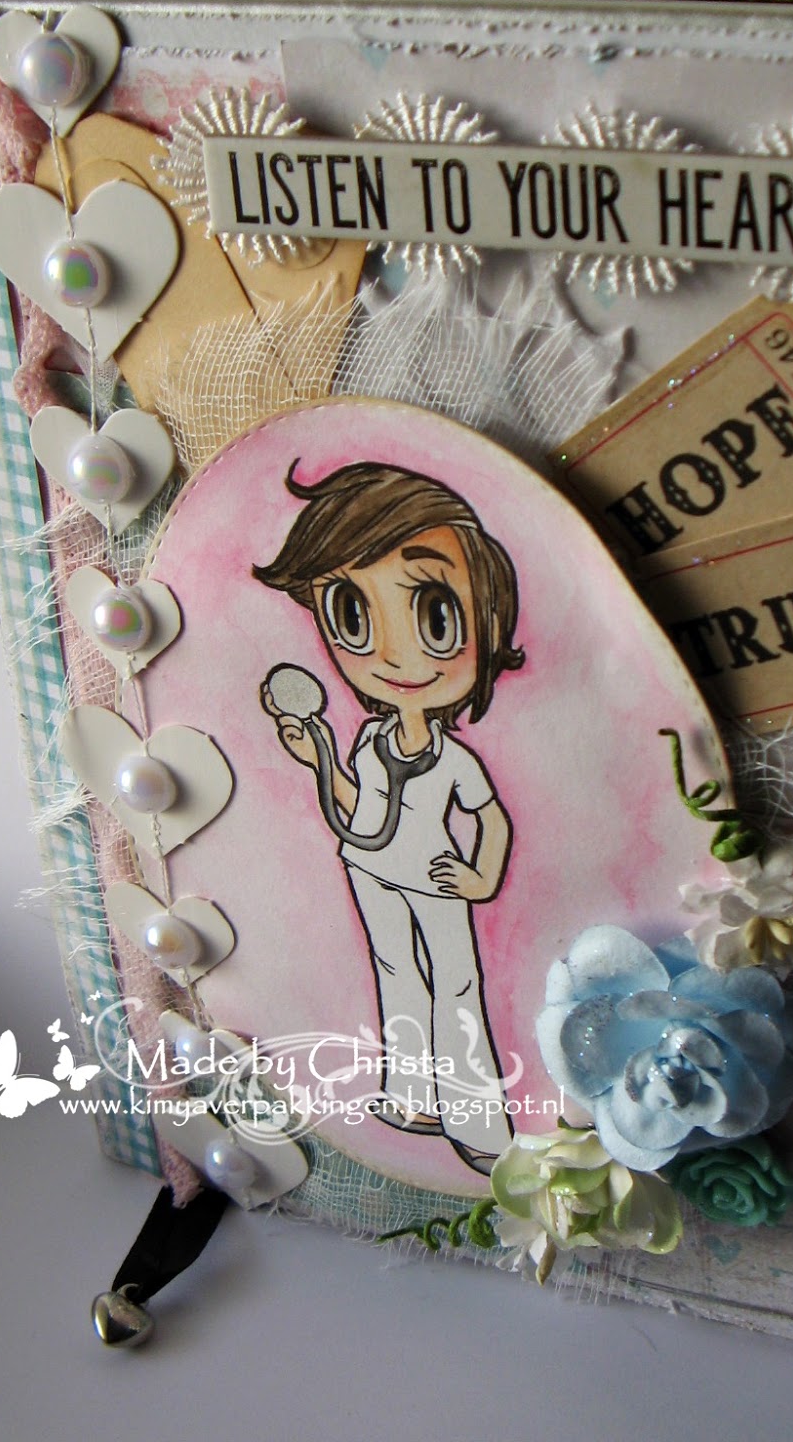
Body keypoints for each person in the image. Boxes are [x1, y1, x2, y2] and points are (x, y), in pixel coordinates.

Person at [254, 460, 525, 1173]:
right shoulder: (370, 739)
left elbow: (491, 818)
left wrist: (480, 877)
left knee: (455, 982)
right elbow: (358, 810)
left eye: (436, 617)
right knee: (396, 969)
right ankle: (412, 1098)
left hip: (434, 876)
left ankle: (478, 1124)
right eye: (352, 613)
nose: (394, 655)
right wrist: (316, 758)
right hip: (369, 865)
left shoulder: (453, 759)